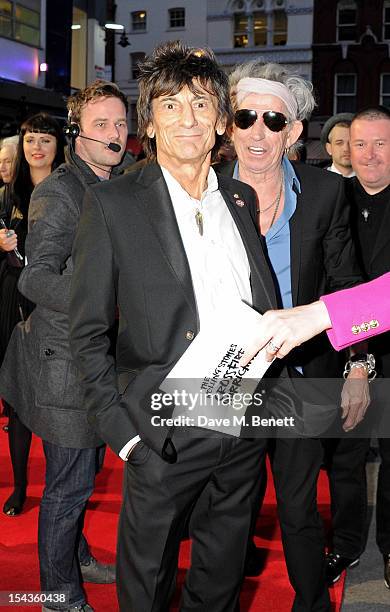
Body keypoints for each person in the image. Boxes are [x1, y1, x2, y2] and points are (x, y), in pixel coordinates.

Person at [68, 41, 278, 612]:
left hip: (240, 420)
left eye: (201, 104)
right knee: (148, 579)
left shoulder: (239, 197)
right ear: (150, 124)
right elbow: (86, 331)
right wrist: (124, 432)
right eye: (169, 105)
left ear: (219, 122)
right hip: (162, 427)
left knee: (222, 572)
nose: (187, 118)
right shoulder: (113, 204)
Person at [216, 60, 366, 608]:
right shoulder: (201, 190)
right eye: (245, 116)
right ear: (228, 126)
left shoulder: (327, 193)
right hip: (224, 378)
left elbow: (349, 284)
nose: (258, 132)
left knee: (300, 508)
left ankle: (312, 603)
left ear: (295, 131)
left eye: (274, 121)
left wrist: (357, 368)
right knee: (225, 509)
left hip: (302, 377)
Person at [0, 81, 133, 612]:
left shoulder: (115, 182)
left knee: (82, 474)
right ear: (77, 133)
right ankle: (57, 595)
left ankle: (74, 557)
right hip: (62, 367)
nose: (114, 134)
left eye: (121, 123)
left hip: (93, 364)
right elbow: (35, 280)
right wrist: (104, 302)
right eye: (101, 125)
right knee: (69, 485)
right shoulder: (60, 192)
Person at [0, 114, 65, 516]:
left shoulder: (69, 190)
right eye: (30, 140)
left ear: (59, 145)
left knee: (60, 400)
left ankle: (64, 489)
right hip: (13, 302)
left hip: (57, 305)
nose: (37, 147)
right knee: (17, 400)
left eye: (45, 139)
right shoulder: (10, 194)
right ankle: (21, 484)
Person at [320, 112, 355, 177]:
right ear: (329, 148)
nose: (346, 149)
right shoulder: (315, 181)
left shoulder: (375, 183)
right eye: (339, 143)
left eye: (352, 143)